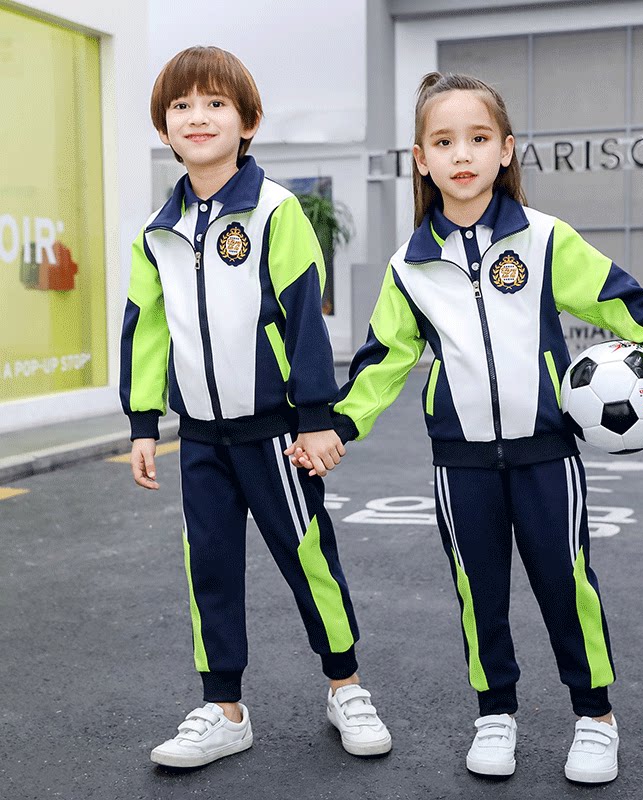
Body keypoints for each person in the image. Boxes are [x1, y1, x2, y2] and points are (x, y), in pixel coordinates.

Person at [292, 72, 643, 783]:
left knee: (566, 585)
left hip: (546, 454)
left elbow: (620, 299)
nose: (462, 154)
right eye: (444, 141)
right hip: (462, 462)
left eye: (478, 138)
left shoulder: (544, 240)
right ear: (421, 160)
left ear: (506, 149)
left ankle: (595, 717)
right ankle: (495, 714)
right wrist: (338, 426)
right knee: (479, 594)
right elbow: (383, 362)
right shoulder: (410, 268)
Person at [119, 46, 391, 769]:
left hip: (275, 433)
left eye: (216, 103)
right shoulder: (157, 232)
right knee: (208, 567)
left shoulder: (275, 211)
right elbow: (146, 329)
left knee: (309, 560)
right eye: (181, 106)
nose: (198, 117)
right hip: (200, 438)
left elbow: (304, 316)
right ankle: (223, 708)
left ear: (248, 121)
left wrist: (315, 417)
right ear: (164, 128)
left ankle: (346, 687)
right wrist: (144, 423)